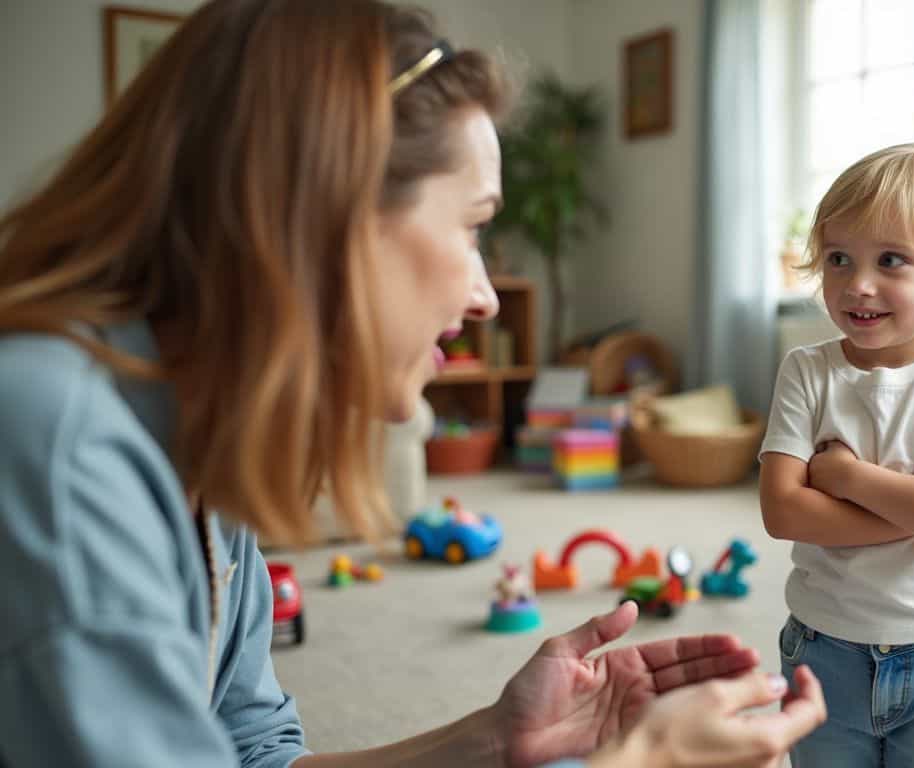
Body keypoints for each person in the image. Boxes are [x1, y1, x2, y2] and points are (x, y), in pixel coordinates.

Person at [0, 1, 825, 766]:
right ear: (329, 217)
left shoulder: (198, 444)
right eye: (471, 227)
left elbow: (250, 754)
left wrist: (498, 741)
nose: (486, 295)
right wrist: (638, 759)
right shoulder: (58, 448)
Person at [758, 143, 914, 768]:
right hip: (824, 656)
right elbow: (784, 513)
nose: (859, 285)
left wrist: (849, 477)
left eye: (891, 260)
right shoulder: (807, 372)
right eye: (840, 258)